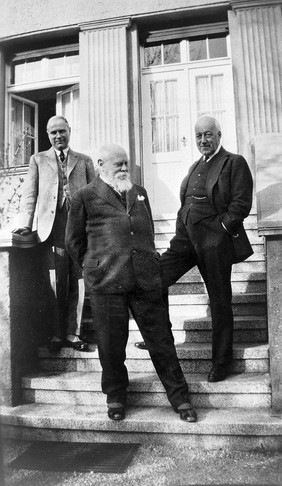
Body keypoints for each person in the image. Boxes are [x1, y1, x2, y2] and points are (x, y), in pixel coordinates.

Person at [65, 143, 197, 422]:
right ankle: (115, 397)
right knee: (111, 346)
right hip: (107, 281)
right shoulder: (84, 197)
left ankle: (180, 399)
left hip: (146, 279)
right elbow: (73, 242)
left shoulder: (140, 193)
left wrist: (152, 264)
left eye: (126, 163)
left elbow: (145, 231)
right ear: (101, 164)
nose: (125, 168)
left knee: (161, 341)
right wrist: (95, 268)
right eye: (118, 164)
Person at [135, 115, 253, 383]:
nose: (203, 140)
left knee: (220, 302)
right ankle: (162, 337)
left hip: (214, 240)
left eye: (208, 135)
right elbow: (184, 203)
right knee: (154, 279)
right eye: (199, 136)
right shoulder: (193, 167)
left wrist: (222, 230)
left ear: (219, 136)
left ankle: (221, 362)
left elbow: (241, 202)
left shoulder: (233, 162)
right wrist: (180, 232)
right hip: (186, 240)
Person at [12, 115, 95, 352]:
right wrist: (25, 223)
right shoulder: (38, 160)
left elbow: (95, 196)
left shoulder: (84, 161)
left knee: (78, 281)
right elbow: (29, 194)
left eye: (62, 131)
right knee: (55, 282)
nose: (58, 136)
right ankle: (56, 334)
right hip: (52, 228)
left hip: (79, 229)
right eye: (53, 133)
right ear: (48, 136)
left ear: (70, 130)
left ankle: (73, 333)